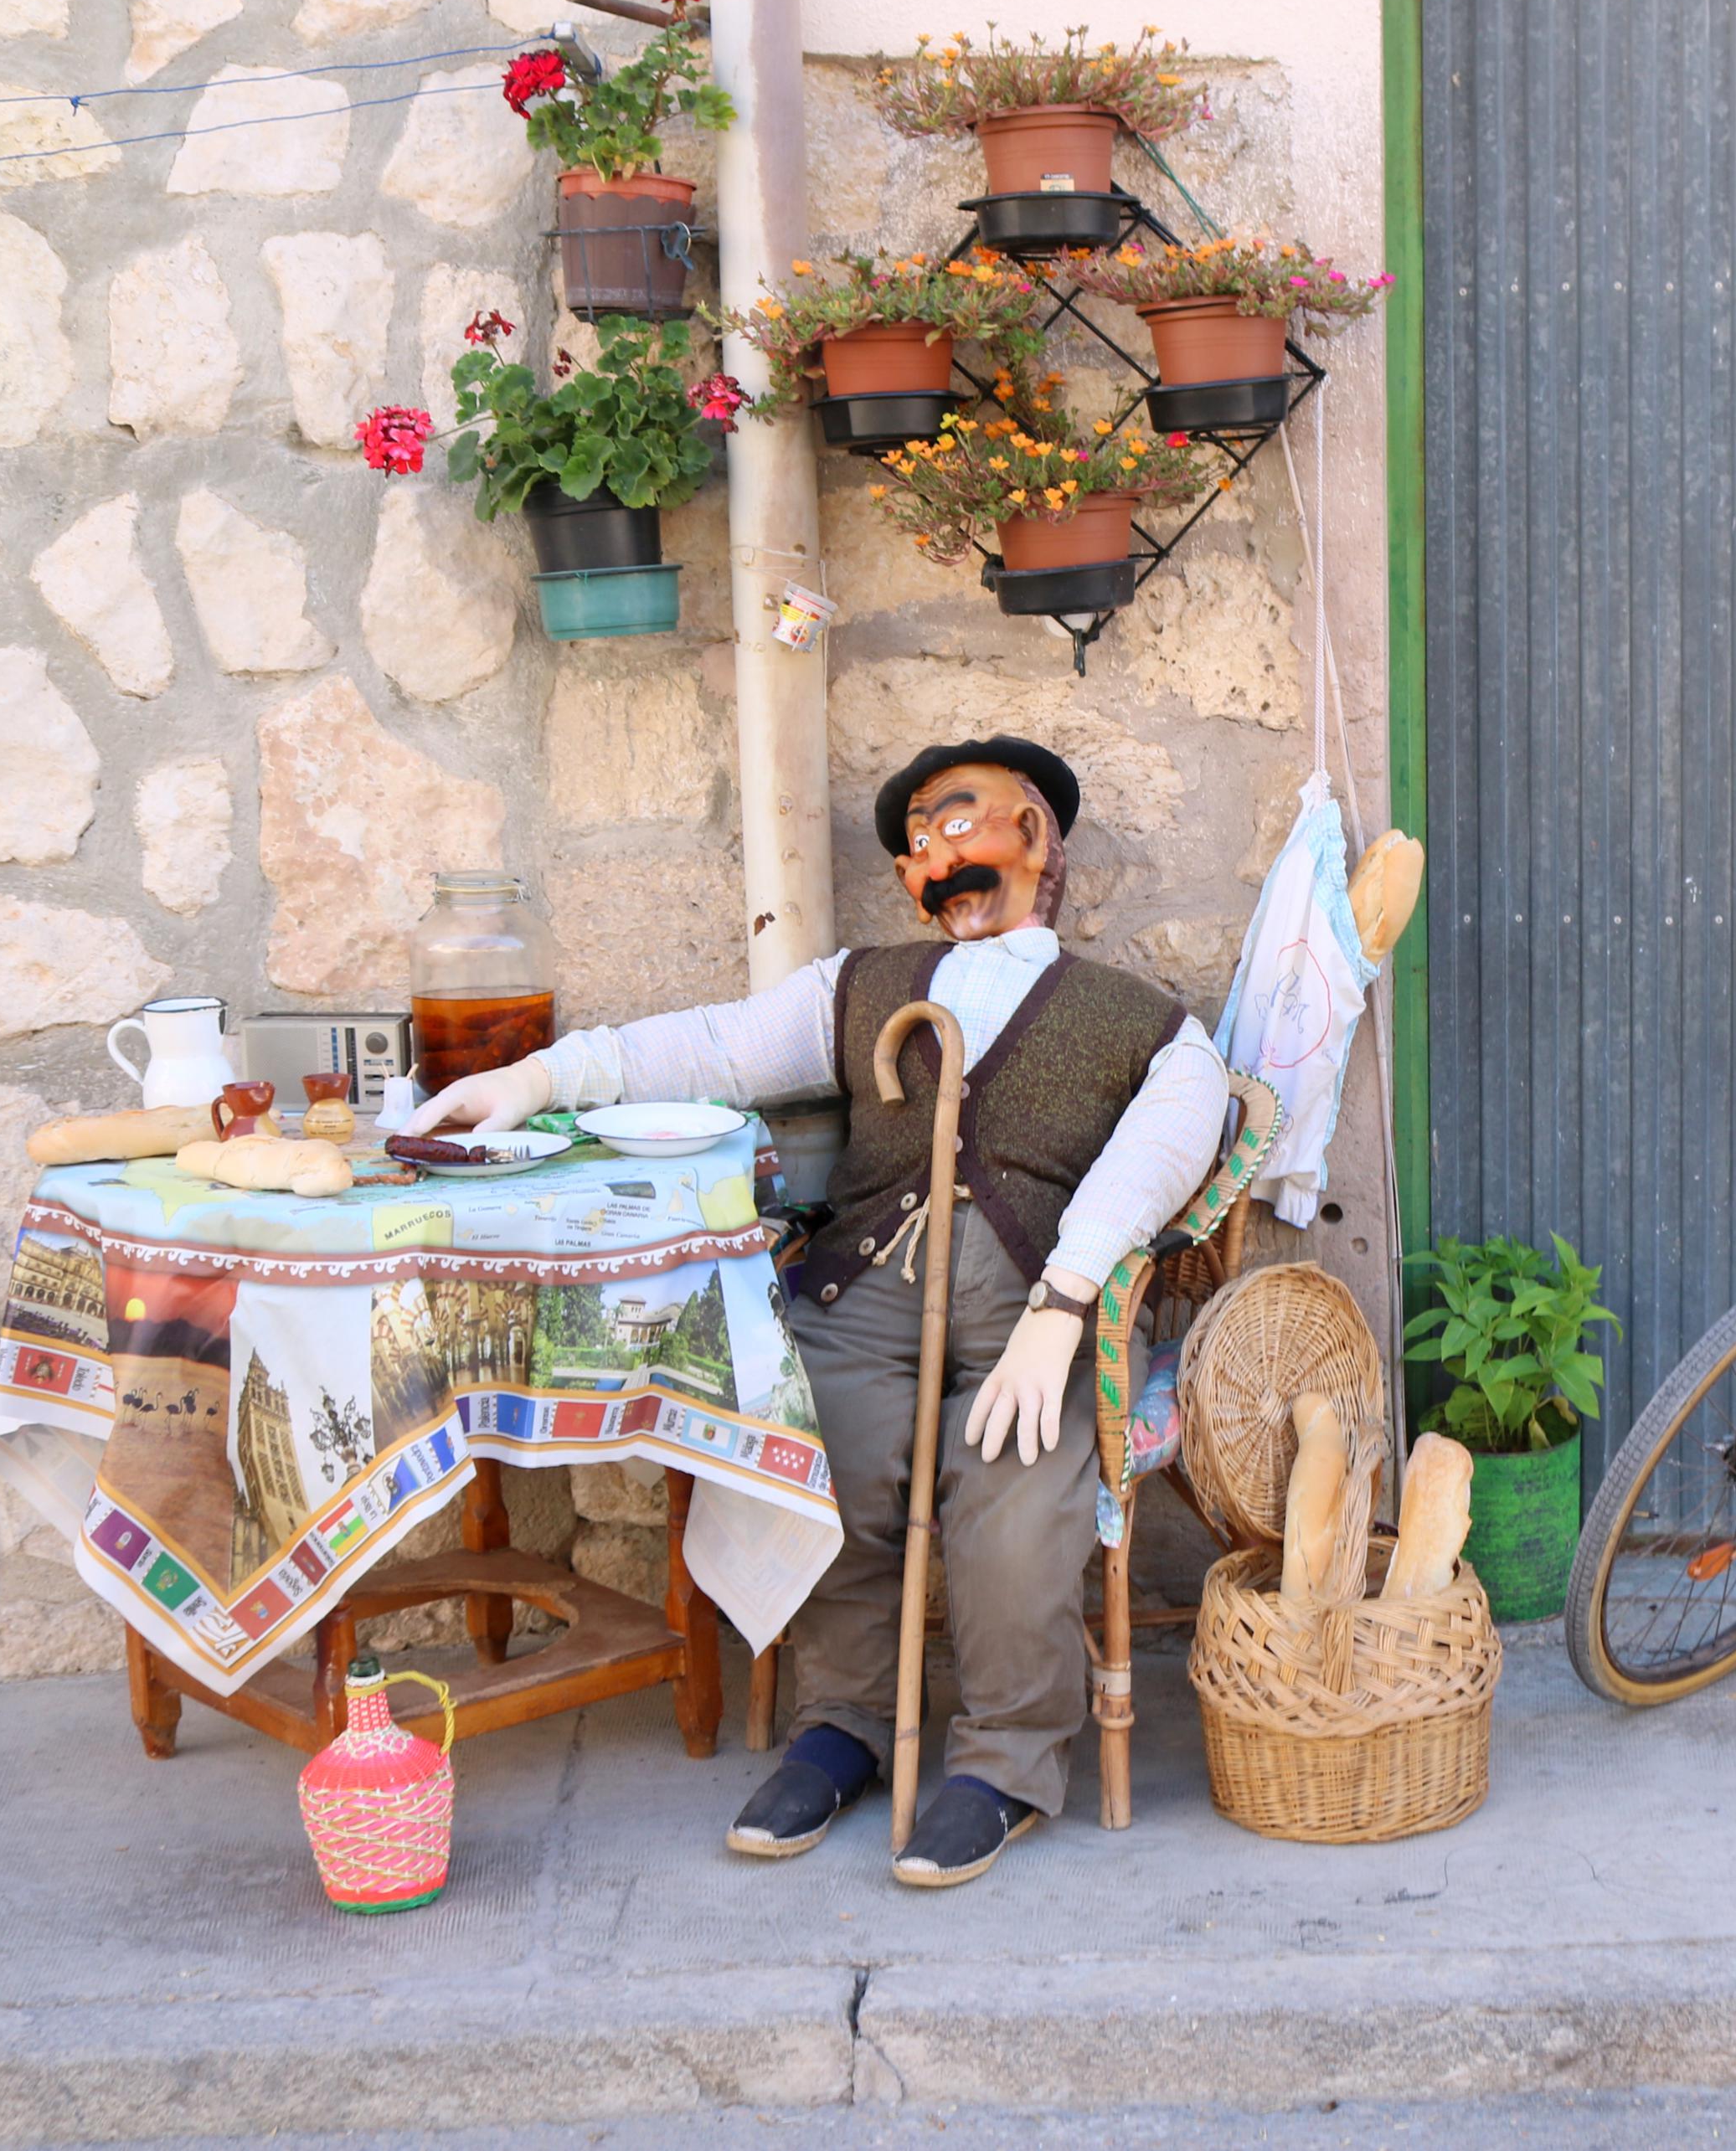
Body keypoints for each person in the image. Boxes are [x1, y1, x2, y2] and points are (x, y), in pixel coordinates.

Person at [414, 736, 1229, 1887]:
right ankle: (841, 1727)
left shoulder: (1143, 1020)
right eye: (911, 851)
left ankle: (1002, 1763)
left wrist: (1065, 1304)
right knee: (830, 1470)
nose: (931, 864)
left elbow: (1163, 1149)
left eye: (956, 827)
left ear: (1036, 836)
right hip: (861, 1288)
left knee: (1013, 1503)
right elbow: (704, 1048)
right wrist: (536, 1080)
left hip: (1032, 1309)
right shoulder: (859, 986)